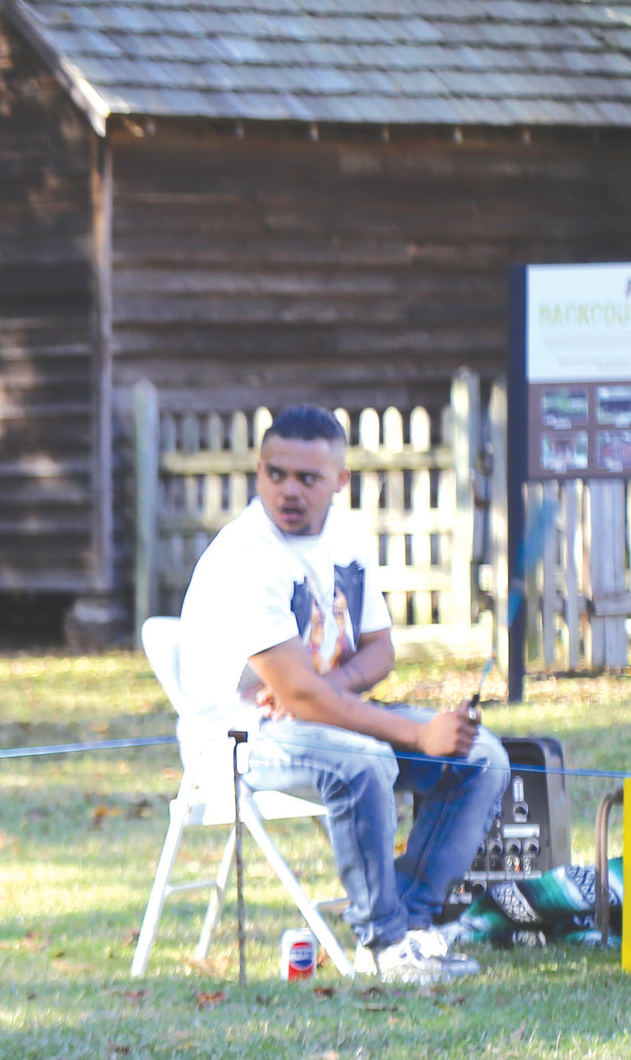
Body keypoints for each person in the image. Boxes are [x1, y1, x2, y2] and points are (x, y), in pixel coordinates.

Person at [175, 405, 510, 983]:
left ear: (340, 481)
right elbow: (299, 702)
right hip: (237, 739)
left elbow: (379, 651)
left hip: (318, 719)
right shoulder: (245, 556)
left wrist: (323, 686)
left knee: (480, 758)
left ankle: (414, 922)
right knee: (368, 760)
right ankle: (383, 943)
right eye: (275, 474)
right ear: (258, 472)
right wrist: (409, 730)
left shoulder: (344, 540)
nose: (289, 491)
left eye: (307, 478)